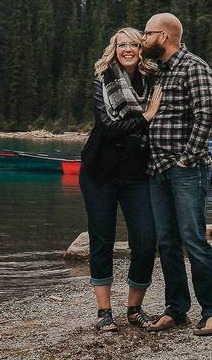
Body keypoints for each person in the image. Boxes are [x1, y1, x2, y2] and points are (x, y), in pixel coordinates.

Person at [140, 12, 212, 336]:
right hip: (157, 170)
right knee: (167, 243)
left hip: (186, 171)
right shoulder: (157, 72)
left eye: (147, 33)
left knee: (193, 239)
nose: (142, 39)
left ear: (163, 37)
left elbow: (206, 118)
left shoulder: (195, 67)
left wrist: (186, 160)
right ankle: (176, 309)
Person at [79, 27, 163, 332]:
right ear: (113, 49)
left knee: (145, 240)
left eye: (133, 44)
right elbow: (108, 127)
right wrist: (145, 116)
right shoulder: (102, 82)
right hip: (98, 172)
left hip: (137, 173)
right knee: (101, 240)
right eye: (121, 44)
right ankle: (104, 313)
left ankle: (134, 309)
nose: (127, 49)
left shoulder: (154, 80)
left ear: (142, 49)